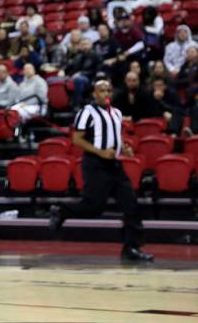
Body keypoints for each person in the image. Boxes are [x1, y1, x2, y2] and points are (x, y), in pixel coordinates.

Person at [49, 80, 153, 262]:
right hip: (95, 163)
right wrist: (100, 152)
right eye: (102, 91)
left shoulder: (117, 113)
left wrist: (123, 149)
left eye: (109, 91)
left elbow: (115, 136)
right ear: (94, 94)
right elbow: (77, 139)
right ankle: (62, 210)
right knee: (93, 207)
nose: (106, 94)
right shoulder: (86, 112)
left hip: (114, 163)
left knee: (131, 204)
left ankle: (131, 248)